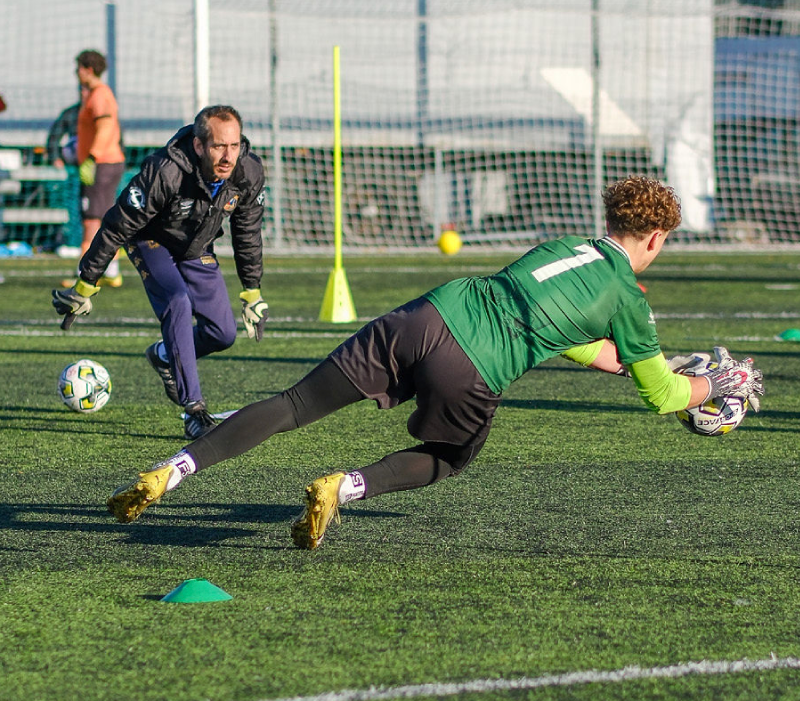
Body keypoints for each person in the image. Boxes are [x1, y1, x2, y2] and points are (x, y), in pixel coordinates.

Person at [105, 176, 764, 549]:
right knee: (450, 457)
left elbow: (557, 325)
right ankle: (342, 488)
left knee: (295, 403)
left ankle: (173, 469)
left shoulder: (567, 246)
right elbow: (663, 396)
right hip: (474, 365)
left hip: (428, 314)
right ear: (656, 237)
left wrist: (622, 362)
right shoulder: (628, 296)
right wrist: (716, 381)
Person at [51, 104, 269, 440]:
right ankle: (194, 410)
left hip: (195, 248)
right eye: (218, 146)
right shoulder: (164, 171)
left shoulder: (248, 172)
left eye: (234, 145)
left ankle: (165, 355)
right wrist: (86, 284)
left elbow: (248, 232)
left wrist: (252, 291)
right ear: (199, 146)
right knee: (177, 302)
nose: (228, 156)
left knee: (223, 333)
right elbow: (116, 225)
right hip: (150, 242)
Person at [61, 50, 126, 288]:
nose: (75, 72)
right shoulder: (96, 94)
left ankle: (85, 273)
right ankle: (111, 271)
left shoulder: (99, 95)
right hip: (106, 163)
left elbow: (106, 127)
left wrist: (91, 157)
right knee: (105, 217)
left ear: (88, 70)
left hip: (101, 164)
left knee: (91, 220)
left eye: (78, 68)